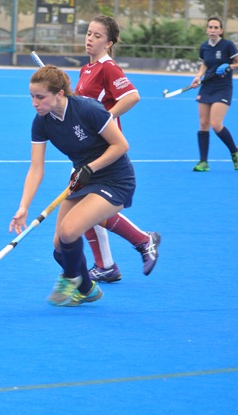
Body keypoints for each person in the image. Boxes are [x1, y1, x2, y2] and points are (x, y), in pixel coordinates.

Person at [9, 65, 138, 307]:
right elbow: (36, 168)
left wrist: (90, 168)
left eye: (40, 97)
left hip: (115, 179)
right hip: (84, 179)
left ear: (59, 94)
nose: (34, 103)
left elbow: (121, 145)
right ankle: (88, 289)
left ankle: (70, 277)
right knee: (60, 246)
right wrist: (23, 207)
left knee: (69, 232)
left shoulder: (88, 109)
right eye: (32, 97)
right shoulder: (41, 122)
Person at [75, 15, 160, 283]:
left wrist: (106, 117)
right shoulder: (86, 69)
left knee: (88, 208)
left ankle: (142, 241)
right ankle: (106, 265)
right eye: (89, 33)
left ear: (109, 43)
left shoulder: (107, 68)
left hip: (105, 150)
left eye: (97, 35)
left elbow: (132, 96)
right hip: (87, 150)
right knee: (82, 207)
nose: (90, 38)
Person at [190, 16, 238, 172]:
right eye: (210, 27)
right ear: (207, 30)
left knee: (216, 124)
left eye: (216, 28)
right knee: (203, 124)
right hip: (207, 86)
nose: (213, 30)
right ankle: (203, 162)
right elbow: (204, 64)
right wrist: (198, 77)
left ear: (221, 30)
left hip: (223, 87)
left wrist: (229, 66)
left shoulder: (228, 45)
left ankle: (235, 151)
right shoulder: (204, 46)